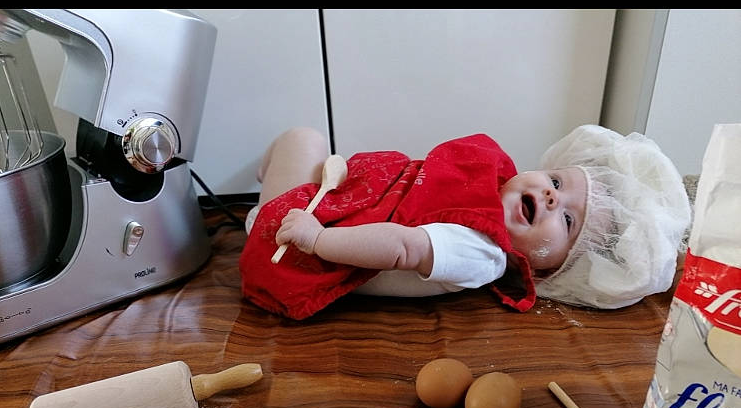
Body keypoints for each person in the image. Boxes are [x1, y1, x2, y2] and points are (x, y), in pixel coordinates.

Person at [239, 124, 690, 321]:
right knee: (305, 139)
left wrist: (317, 239)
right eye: (556, 181)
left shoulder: (481, 252)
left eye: (569, 219)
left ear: (554, 269)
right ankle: (268, 174)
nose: (553, 196)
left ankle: (261, 201)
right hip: (333, 203)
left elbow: (401, 247)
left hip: (289, 242)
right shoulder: (491, 187)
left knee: (301, 139)